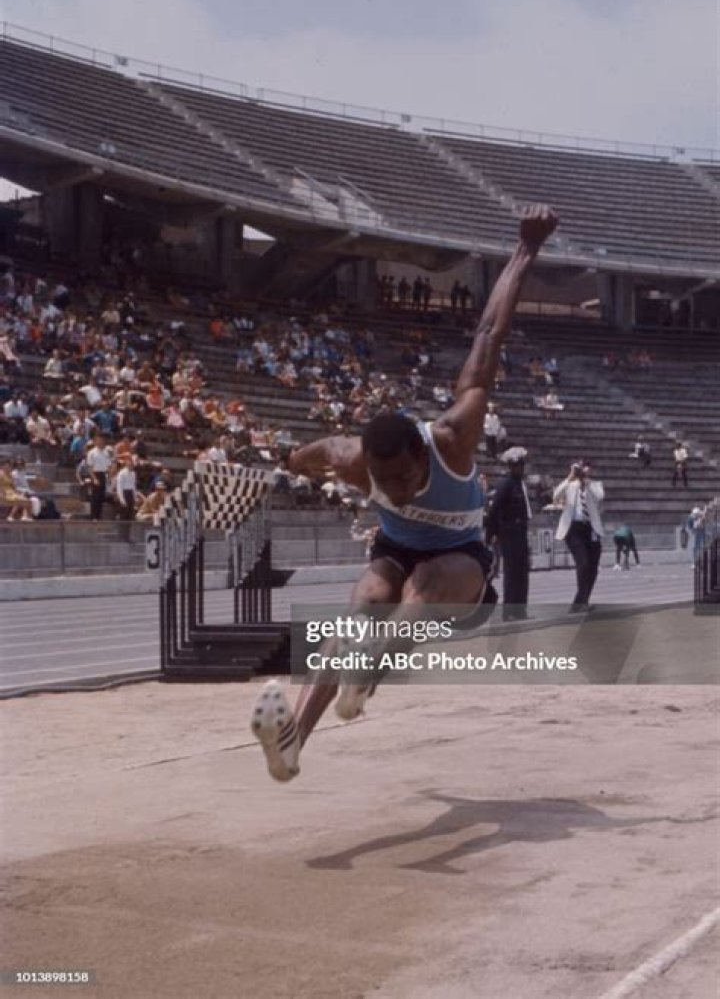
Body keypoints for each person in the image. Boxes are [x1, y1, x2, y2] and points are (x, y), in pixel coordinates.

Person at [250, 203, 559, 781]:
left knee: (424, 582)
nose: (392, 487)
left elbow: (489, 333)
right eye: (381, 479)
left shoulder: (455, 434)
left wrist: (526, 250)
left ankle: (367, 673)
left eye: (401, 478)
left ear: (422, 454)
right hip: (395, 550)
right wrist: (289, 458)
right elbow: (318, 450)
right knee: (364, 600)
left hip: (460, 569)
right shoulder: (355, 462)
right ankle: (292, 743)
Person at [484, 447, 532, 620]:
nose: (520, 468)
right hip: (509, 533)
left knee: (522, 572)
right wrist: (491, 535)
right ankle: (509, 611)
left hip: (520, 532)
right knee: (512, 574)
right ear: (510, 467)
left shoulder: (520, 484)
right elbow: (494, 510)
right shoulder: (506, 484)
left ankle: (520, 610)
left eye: (521, 465)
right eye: (516, 465)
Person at [554, 460, 605, 613]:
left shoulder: (595, 485)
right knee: (583, 563)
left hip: (591, 528)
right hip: (574, 528)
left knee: (593, 568)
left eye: (586, 466)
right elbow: (556, 495)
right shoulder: (570, 485)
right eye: (580, 467)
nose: (583, 469)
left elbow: (600, 496)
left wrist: (587, 482)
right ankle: (581, 602)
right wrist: (570, 477)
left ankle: (581, 601)